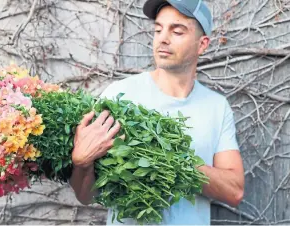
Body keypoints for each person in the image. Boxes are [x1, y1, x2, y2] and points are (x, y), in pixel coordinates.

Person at [69, 0, 245, 224]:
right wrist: (81, 162)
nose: (163, 38)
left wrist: (171, 161)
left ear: (202, 44)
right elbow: (86, 195)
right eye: (158, 29)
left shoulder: (216, 107)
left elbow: (235, 190)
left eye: (177, 31)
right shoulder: (120, 95)